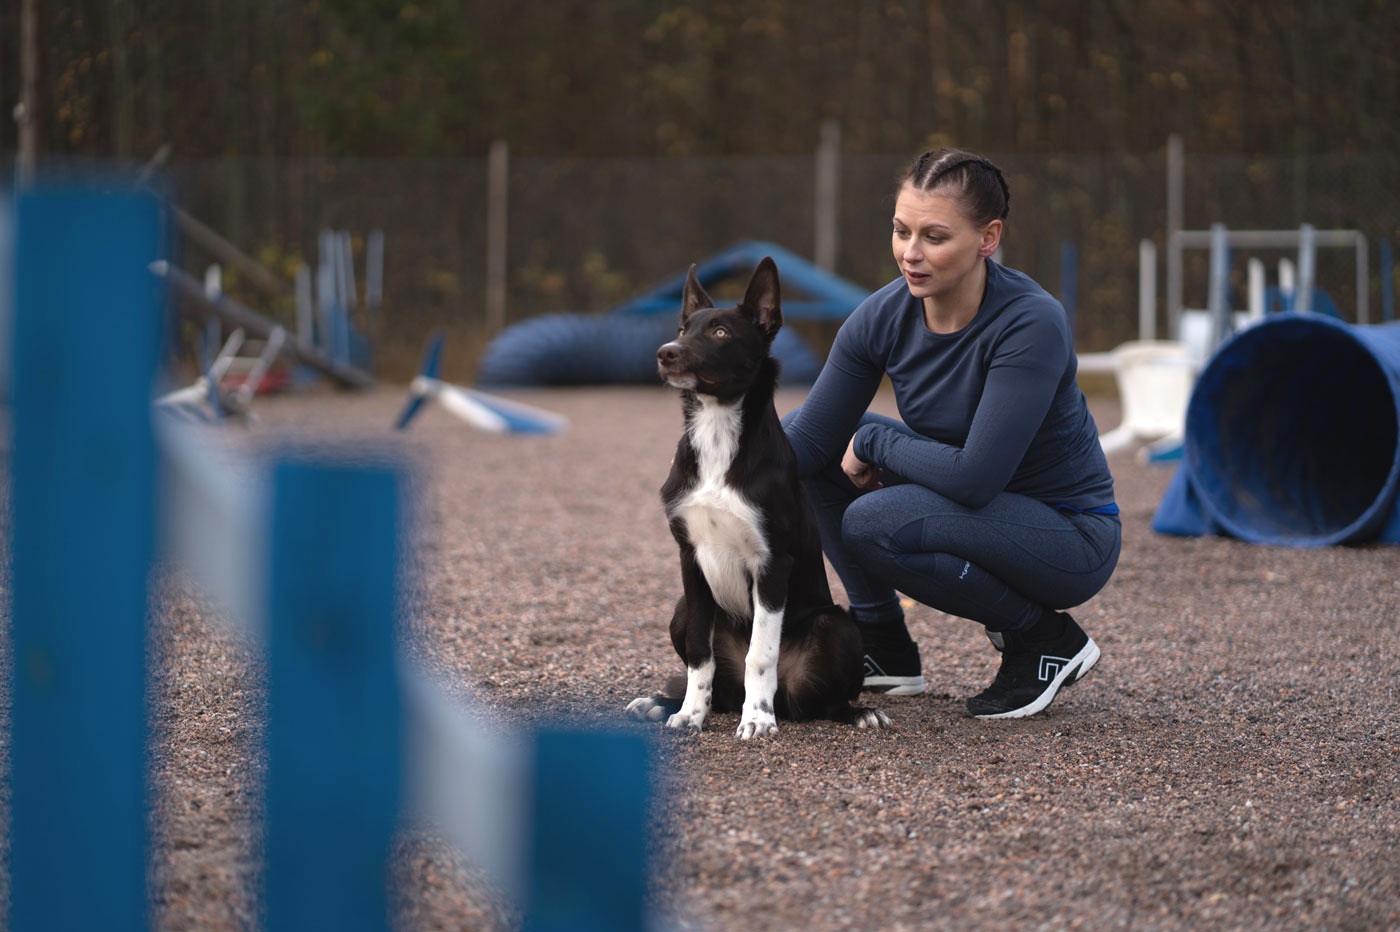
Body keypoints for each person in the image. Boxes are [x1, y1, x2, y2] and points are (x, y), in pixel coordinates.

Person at [782, 147, 1120, 719]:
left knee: (873, 520)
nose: (910, 254)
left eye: (934, 237)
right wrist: (716, 468)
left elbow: (974, 479)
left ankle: (1043, 639)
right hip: (973, 507)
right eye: (901, 231)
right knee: (798, 435)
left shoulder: (1030, 321)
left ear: (988, 238)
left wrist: (874, 443)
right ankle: (885, 644)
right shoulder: (882, 316)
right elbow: (807, 444)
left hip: (1067, 535)